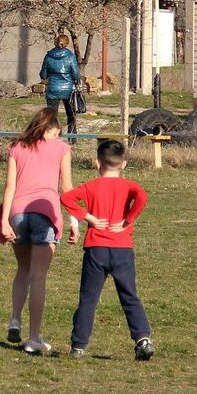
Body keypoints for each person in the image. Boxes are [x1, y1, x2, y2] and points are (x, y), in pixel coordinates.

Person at [59, 139, 155, 361]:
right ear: (123, 164)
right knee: (129, 296)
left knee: (89, 299)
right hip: (122, 249)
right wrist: (127, 220)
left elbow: (66, 197)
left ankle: (79, 346)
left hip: (96, 249)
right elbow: (142, 197)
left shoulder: (91, 186)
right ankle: (142, 339)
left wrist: (88, 217)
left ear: (97, 163)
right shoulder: (129, 186)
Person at [0, 106, 77, 355]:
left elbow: (10, 187)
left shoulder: (17, 147)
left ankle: (14, 319)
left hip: (17, 214)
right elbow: (67, 188)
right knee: (38, 276)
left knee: (22, 269)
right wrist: (74, 222)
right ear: (52, 128)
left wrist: (4, 221)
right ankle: (33, 338)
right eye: (59, 132)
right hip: (45, 213)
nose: (60, 136)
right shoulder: (62, 149)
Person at [39, 34, 81, 135]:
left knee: (52, 116)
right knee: (71, 114)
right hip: (68, 88)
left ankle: (53, 136)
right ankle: (72, 136)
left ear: (55, 42)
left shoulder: (48, 56)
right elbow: (76, 74)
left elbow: (43, 75)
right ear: (67, 43)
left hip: (53, 88)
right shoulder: (70, 56)